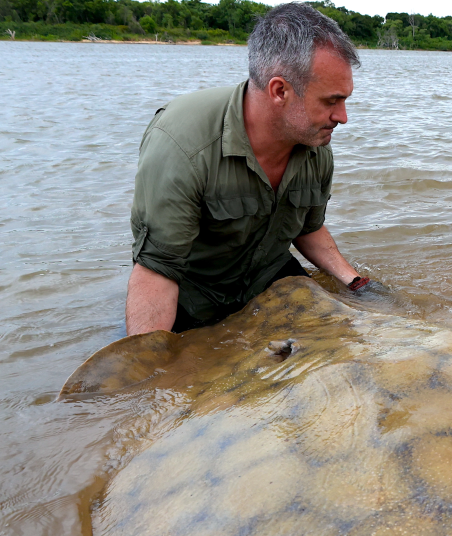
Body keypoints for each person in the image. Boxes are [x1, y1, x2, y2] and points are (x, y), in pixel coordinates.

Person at [124, 3, 370, 336]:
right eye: (331, 101)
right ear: (280, 91)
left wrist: (357, 284)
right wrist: (150, 360)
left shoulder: (315, 144)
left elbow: (308, 229)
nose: (343, 117)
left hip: (268, 280)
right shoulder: (182, 145)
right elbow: (158, 270)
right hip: (194, 296)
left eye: (345, 100)